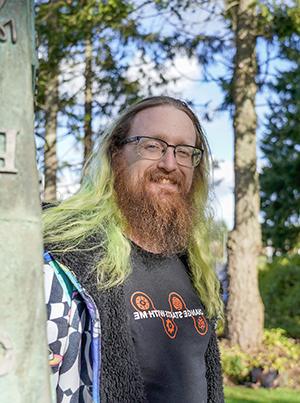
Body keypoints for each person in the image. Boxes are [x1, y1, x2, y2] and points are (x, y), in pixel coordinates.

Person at [43, 96, 224, 403]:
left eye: (184, 152)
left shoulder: (196, 269)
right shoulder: (64, 267)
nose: (169, 163)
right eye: (152, 146)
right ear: (116, 155)